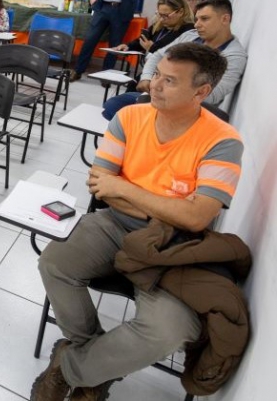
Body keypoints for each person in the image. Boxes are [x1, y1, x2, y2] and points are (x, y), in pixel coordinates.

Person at [32, 42, 243, 401]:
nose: (155, 85)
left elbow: (196, 218)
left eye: (170, 81)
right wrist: (163, 205)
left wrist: (126, 189)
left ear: (202, 92)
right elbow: (101, 185)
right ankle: (96, 371)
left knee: (169, 329)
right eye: (157, 74)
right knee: (54, 262)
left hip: (176, 245)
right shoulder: (130, 117)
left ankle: (71, 366)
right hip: (116, 223)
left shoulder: (223, 141)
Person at [102, 0, 246, 120]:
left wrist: (165, 89)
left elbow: (212, 96)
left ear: (225, 19)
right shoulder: (191, 35)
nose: (197, 24)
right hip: (160, 95)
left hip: (188, 110)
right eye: (196, 19)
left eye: (205, 19)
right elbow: (158, 55)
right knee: (113, 106)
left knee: (121, 112)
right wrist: (146, 77)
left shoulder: (233, 55)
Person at [112, 0, 194, 55]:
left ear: (180, 12)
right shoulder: (159, 25)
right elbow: (143, 40)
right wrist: (128, 46)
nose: (161, 19)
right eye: (160, 14)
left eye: (166, 15)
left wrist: (152, 48)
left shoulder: (188, 30)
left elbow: (172, 52)